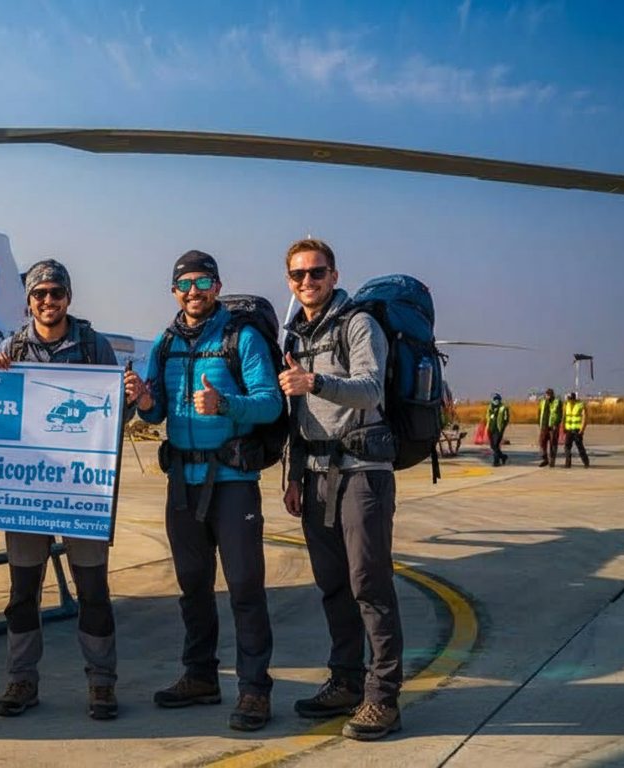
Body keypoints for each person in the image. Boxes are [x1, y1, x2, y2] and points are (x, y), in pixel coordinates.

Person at [134, 250, 282, 732]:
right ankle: (200, 676)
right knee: (193, 586)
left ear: (217, 286)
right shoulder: (164, 342)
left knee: (244, 587)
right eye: (184, 284)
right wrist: (145, 399)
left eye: (202, 282)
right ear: (174, 291)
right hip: (182, 482)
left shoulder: (242, 338)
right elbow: (155, 412)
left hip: (232, 482)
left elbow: (270, 404)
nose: (193, 292)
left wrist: (224, 404)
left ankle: (255, 689)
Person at [0, 258, 138, 721]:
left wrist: (130, 398)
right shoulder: (12, 347)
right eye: (39, 294)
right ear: (29, 300)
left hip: (82, 494)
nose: (48, 301)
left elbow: (115, 416)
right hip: (26, 493)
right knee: (22, 592)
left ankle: (101, 683)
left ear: (68, 297)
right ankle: (21, 680)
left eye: (56, 293)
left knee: (92, 590)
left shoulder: (93, 346)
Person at [279, 238, 404, 741]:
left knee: (369, 584)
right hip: (315, 476)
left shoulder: (358, 324)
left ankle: (383, 697)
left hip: (362, 471)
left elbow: (371, 388)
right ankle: (346, 681)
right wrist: (293, 476)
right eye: (298, 275)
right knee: (333, 585)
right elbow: (297, 415)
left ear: (334, 275)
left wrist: (316, 382)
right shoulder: (297, 333)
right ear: (289, 281)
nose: (307, 282)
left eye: (316, 272)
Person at [563, 391, 590, 468]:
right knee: (567, 447)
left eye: (570, 399)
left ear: (574, 399)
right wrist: (563, 427)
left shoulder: (580, 405)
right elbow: (564, 416)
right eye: (568, 399)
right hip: (568, 430)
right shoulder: (566, 405)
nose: (569, 400)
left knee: (580, 447)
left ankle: (586, 462)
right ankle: (568, 463)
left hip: (577, 430)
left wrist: (582, 430)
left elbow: (585, 418)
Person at [536, 388, 561, 467]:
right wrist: (539, 423)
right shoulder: (542, 402)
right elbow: (539, 412)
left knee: (553, 444)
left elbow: (560, 414)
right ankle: (545, 459)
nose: (548, 396)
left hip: (553, 426)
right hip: (544, 425)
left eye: (549, 394)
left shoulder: (557, 402)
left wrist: (556, 424)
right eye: (547, 394)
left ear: (553, 394)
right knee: (542, 442)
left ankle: (552, 461)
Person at [486, 393, 511, 467]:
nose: (496, 400)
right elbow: (487, 417)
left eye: (497, 399)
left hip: (498, 429)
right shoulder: (490, 407)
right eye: (495, 399)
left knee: (496, 445)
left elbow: (506, 419)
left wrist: (502, 428)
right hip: (490, 428)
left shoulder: (503, 408)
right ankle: (503, 457)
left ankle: (496, 462)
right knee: (492, 446)